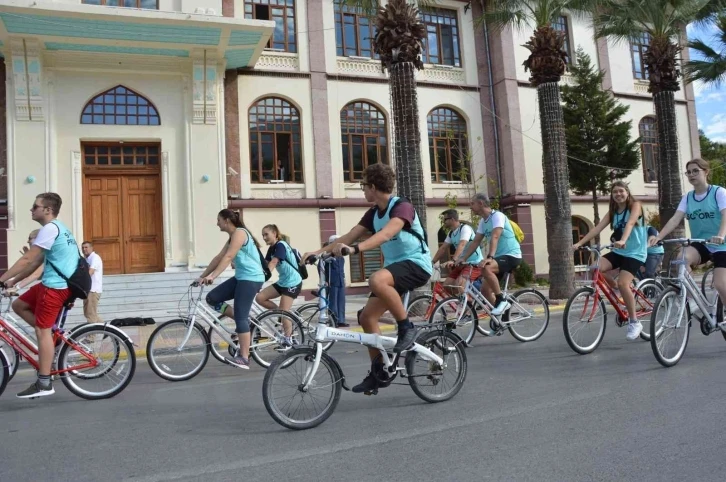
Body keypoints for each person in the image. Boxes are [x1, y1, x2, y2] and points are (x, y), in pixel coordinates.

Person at [302, 163, 432, 394]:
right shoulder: (373, 213)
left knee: (376, 279)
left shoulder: (402, 206)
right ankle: (380, 372)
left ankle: (406, 328)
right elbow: (349, 235)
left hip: (417, 265)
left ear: (372, 187)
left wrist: (354, 250)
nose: (362, 190)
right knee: (367, 317)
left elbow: (387, 233)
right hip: (395, 269)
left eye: (363, 186)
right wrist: (317, 252)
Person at [0, 193, 79, 398]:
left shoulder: (50, 229)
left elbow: (27, 259)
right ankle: (51, 340)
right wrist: (12, 282)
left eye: (35, 206)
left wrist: (1, 278)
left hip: (55, 287)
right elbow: (35, 264)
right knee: (19, 305)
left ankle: (44, 382)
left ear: (47, 210)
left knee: (41, 331)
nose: (31, 210)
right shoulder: (58, 228)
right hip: (51, 284)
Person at [650, 158, 726, 325]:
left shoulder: (718, 192)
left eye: (695, 171)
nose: (691, 174)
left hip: (723, 244)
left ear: (706, 172)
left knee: (721, 285)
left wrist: (720, 235)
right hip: (702, 243)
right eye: (688, 172)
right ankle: (693, 299)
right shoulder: (688, 197)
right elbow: (675, 219)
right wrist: (659, 236)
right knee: (681, 257)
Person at [573, 181, 647, 340]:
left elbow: (631, 223)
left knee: (623, 282)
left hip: (635, 252)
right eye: (615, 192)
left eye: (621, 191)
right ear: (612, 196)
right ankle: (616, 290)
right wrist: (579, 243)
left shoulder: (635, 205)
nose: (618, 194)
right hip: (620, 251)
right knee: (595, 268)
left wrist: (624, 239)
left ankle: (634, 322)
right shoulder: (613, 212)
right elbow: (597, 228)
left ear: (627, 192)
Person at [197, 209, 265, 369]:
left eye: (218, 220)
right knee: (212, 298)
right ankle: (243, 322)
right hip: (242, 278)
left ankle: (244, 357)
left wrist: (213, 277)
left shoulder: (240, 233)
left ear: (227, 220)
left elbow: (228, 258)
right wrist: (202, 276)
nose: (217, 223)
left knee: (241, 317)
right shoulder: (233, 236)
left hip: (251, 278)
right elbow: (219, 257)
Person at [456, 194, 522, 317]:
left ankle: (501, 300)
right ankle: (502, 317)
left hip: (512, 255)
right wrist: (463, 258)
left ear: (481, 203)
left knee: (486, 268)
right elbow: (476, 241)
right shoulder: (483, 221)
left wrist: (490, 257)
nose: (471, 207)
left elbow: (495, 236)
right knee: (485, 291)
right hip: (499, 258)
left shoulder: (497, 216)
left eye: (472, 204)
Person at [256, 224, 302, 346]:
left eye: (266, 234)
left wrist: (262, 279)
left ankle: (289, 338)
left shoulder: (281, 245)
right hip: (283, 282)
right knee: (260, 298)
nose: (264, 237)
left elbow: (274, 262)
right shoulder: (271, 248)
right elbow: (265, 265)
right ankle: (282, 313)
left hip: (293, 282)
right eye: (262, 235)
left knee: (284, 311)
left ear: (275, 233)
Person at [432, 209, 483, 295]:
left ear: (452, 219)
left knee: (459, 285)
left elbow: (462, 244)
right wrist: (432, 262)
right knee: (447, 285)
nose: (443, 222)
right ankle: (461, 302)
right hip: (461, 264)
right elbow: (443, 248)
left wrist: (453, 260)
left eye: (445, 219)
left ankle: (469, 305)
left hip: (473, 263)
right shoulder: (451, 233)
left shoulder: (465, 228)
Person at [327, 235, 349, 328]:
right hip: (331, 281)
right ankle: (333, 320)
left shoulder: (341, 257)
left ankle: (341, 320)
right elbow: (322, 269)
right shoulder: (327, 256)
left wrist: (344, 279)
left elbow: (341, 269)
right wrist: (325, 280)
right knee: (333, 302)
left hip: (340, 281)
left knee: (341, 301)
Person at [81, 241, 103, 323]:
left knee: (91, 315)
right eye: (83, 248)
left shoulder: (95, 258)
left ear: (91, 248)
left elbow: (90, 272)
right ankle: (107, 329)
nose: (84, 249)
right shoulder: (86, 259)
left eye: (86, 247)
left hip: (93, 290)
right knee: (89, 314)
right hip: (88, 290)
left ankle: (91, 336)